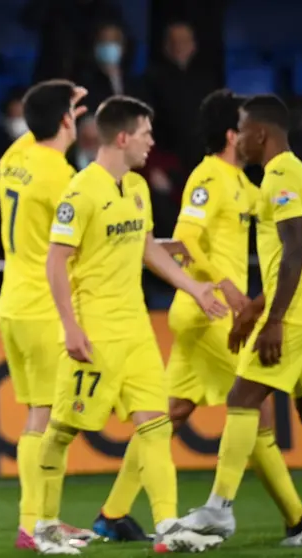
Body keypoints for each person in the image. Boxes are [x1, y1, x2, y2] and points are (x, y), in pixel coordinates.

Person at [92, 89, 302, 543]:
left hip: (211, 313)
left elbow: (281, 208)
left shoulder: (244, 182)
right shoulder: (207, 179)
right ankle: (297, 516)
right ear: (236, 133)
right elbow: (185, 237)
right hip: (210, 310)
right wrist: (224, 283)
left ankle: (113, 514)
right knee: (253, 409)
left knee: (169, 414)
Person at [33, 95, 228, 555]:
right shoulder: (81, 193)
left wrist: (193, 286)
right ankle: (43, 527)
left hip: (137, 330)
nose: (151, 142)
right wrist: (71, 326)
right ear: (122, 137)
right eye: (145, 133)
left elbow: (147, 247)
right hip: (95, 333)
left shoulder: (137, 188)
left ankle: (167, 526)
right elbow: (56, 263)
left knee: (156, 427)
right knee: (62, 428)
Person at [179, 95, 302, 548]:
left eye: (244, 130)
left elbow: (294, 253)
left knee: (242, 397)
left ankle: (220, 508)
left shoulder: (280, 175)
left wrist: (272, 322)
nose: (241, 139)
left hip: (297, 314)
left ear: (261, 133)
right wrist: (252, 312)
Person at [0, 79, 98, 550]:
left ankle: (44, 520)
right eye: (73, 114)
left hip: (12, 304)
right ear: (65, 120)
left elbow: (35, 126)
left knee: (42, 416)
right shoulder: (63, 177)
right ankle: (34, 523)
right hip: (45, 309)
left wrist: (56, 104)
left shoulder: (12, 159)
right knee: (46, 420)